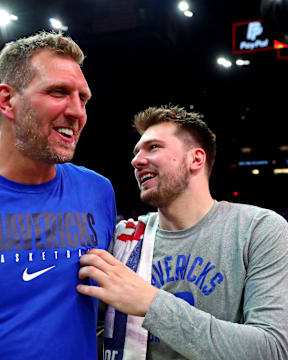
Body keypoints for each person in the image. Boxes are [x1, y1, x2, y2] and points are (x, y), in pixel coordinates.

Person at [0, 31, 116, 360]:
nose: (77, 112)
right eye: (59, 92)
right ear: (6, 100)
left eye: (83, 98)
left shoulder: (98, 191)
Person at [77, 105, 288, 360]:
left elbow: (272, 349)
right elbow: (90, 330)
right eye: (136, 152)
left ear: (196, 159)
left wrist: (152, 303)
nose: (136, 160)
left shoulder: (259, 230)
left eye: (153, 147)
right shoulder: (124, 238)